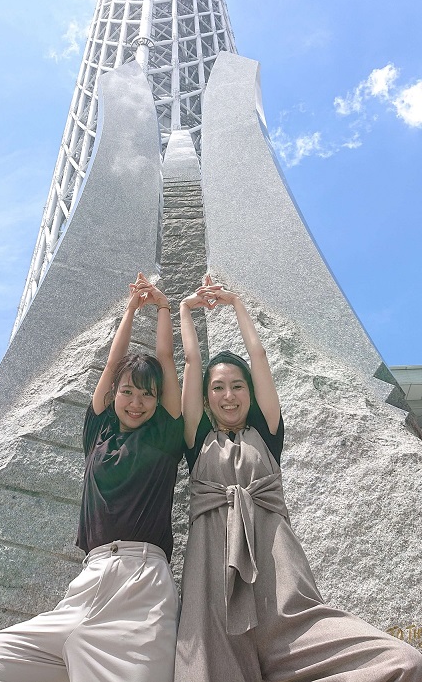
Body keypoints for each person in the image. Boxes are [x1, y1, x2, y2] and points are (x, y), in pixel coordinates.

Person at [0, 274, 183, 682]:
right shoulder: (97, 432)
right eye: (128, 392)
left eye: (148, 395)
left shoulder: (166, 437)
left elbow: (167, 361)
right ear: (114, 392)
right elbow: (113, 360)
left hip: (142, 591)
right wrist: (131, 310)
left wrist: (164, 308)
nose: (137, 402)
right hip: (88, 581)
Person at [175, 277, 422, 682]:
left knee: (403, 661)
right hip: (212, 595)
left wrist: (236, 302)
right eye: (218, 388)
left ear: (251, 395)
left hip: (281, 591)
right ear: (205, 399)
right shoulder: (196, 440)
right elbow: (190, 361)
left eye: (238, 386)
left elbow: (259, 358)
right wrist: (185, 310)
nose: (229, 394)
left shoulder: (267, 436)